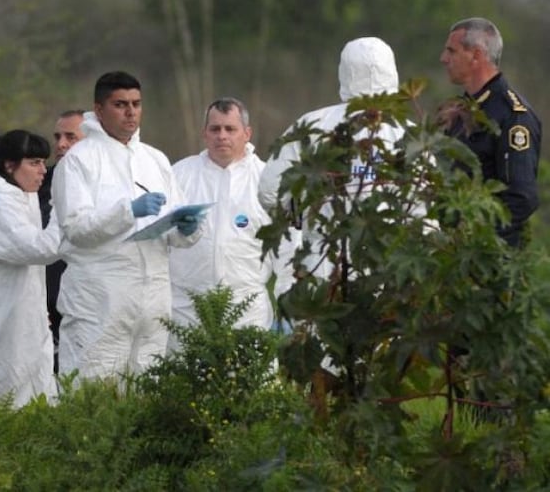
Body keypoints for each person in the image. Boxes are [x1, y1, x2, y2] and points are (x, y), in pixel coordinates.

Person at [50, 71, 202, 381]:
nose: (131, 112)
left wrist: (186, 229)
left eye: (136, 103)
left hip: (153, 296)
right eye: (120, 104)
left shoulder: (155, 159)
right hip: (101, 296)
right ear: (99, 108)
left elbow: (173, 224)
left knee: (149, 383)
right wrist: (126, 212)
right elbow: (76, 229)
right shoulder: (79, 161)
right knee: (93, 384)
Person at [258, 36, 406, 281]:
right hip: (388, 268)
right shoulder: (408, 132)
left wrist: (303, 213)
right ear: (391, 72)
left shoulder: (311, 126)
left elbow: (270, 191)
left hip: (324, 262)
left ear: (344, 72)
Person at [0, 129, 61, 409]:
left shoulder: (20, 197)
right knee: (6, 403)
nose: (43, 171)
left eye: (43, 162)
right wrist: (62, 211)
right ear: (9, 165)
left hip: (23, 319)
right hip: (2, 324)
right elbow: (39, 249)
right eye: (34, 163)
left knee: (35, 397)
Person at [168, 97, 275, 348]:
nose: (222, 136)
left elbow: (287, 244)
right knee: (186, 382)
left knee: (248, 381)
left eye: (230, 129)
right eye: (215, 129)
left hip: (247, 305)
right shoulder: (179, 174)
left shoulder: (266, 179)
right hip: (187, 305)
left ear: (247, 133)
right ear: (204, 134)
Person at [439, 17, 541, 248]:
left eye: (451, 51)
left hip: (489, 262)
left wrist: (475, 242)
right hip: (451, 261)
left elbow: (521, 198)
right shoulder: (460, 110)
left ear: (475, 55)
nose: (443, 59)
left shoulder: (513, 115)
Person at [38, 109, 85, 373]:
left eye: (71, 137)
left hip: (86, 300)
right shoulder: (40, 185)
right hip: (46, 305)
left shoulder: (105, 185)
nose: (61, 144)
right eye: (57, 137)